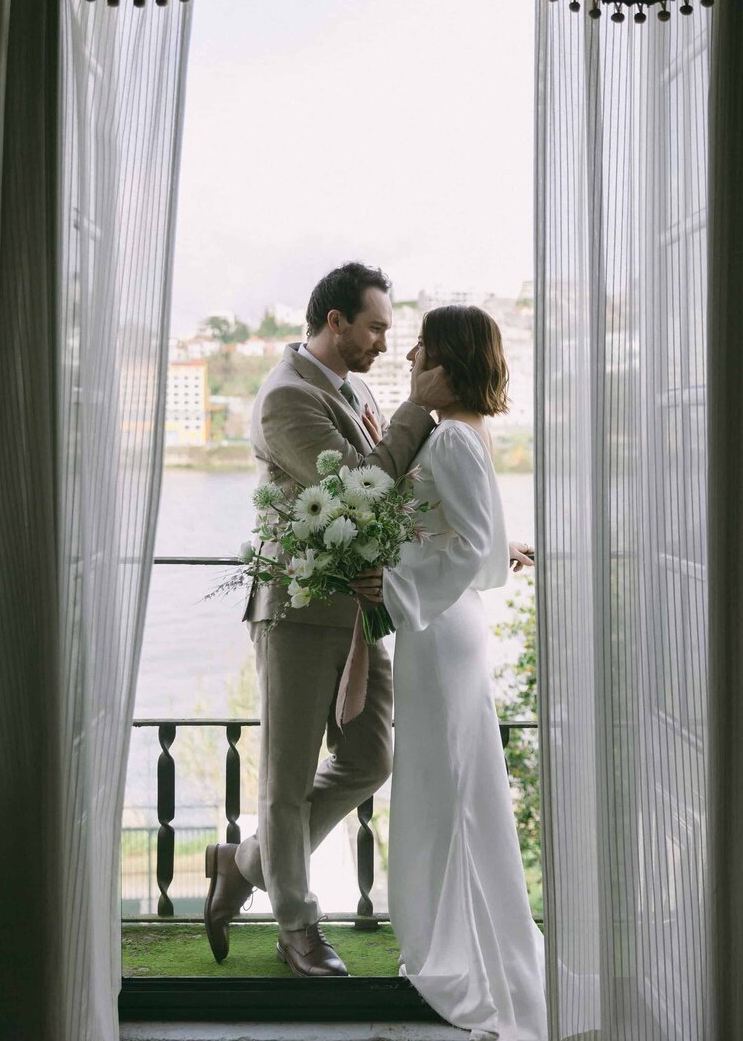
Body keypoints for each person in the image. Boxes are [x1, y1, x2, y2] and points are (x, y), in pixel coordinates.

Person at [203, 261, 450, 977]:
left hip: (363, 607)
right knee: (285, 780)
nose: (383, 341)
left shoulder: (357, 387)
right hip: (301, 610)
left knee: (372, 758)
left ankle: (243, 862)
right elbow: (359, 485)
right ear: (336, 322)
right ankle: (297, 929)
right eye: (375, 327)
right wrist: (416, 409)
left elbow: (393, 492)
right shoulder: (285, 398)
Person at [382, 305, 546, 1041]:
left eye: (424, 345)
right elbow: (481, 539)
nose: (411, 353)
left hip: (437, 629)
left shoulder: (448, 439)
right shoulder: (469, 434)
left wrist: (388, 584)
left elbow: (476, 553)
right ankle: (461, 944)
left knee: (446, 791)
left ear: (450, 362)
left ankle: (463, 958)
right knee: (452, 789)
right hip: (445, 630)